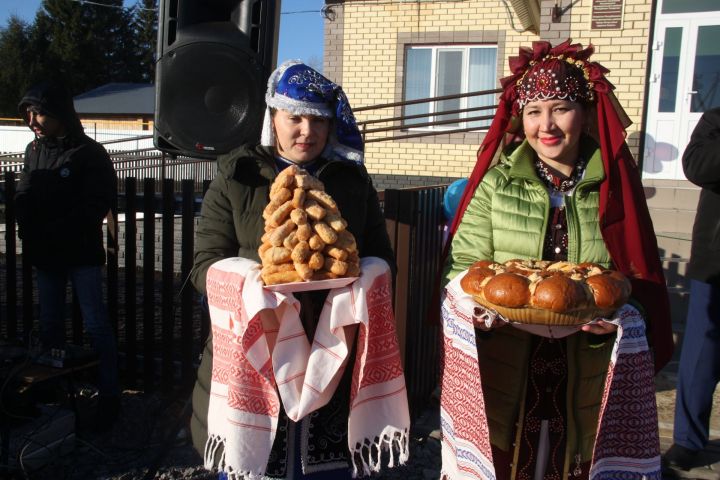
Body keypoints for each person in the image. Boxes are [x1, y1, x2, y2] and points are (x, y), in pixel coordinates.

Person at [440, 40, 674, 480]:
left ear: (584, 114)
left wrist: (622, 317)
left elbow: (636, 274)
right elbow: (463, 268)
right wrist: (479, 312)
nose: (545, 125)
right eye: (533, 111)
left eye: (559, 108)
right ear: (519, 118)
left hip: (585, 360)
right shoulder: (496, 185)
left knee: (576, 464)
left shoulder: (614, 187)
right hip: (507, 358)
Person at [190, 60, 408, 479]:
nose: (307, 131)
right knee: (254, 464)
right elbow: (204, 265)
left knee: (327, 470)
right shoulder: (239, 177)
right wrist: (249, 282)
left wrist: (372, 272)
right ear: (273, 118)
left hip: (334, 354)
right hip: (257, 354)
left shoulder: (351, 179)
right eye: (295, 117)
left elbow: (382, 257)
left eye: (319, 120)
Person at [15, 81, 120, 429]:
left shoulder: (89, 153)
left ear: (60, 114)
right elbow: (24, 191)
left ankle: (109, 397)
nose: (33, 120)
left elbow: (97, 201)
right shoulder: (34, 151)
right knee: (50, 325)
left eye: (40, 113)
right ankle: (53, 393)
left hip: (80, 254)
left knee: (95, 324)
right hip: (46, 255)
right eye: (28, 113)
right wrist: (26, 224)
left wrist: (60, 227)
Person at [663, 107, 720, 475]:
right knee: (701, 357)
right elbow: (696, 165)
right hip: (715, 263)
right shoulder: (717, 118)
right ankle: (688, 440)